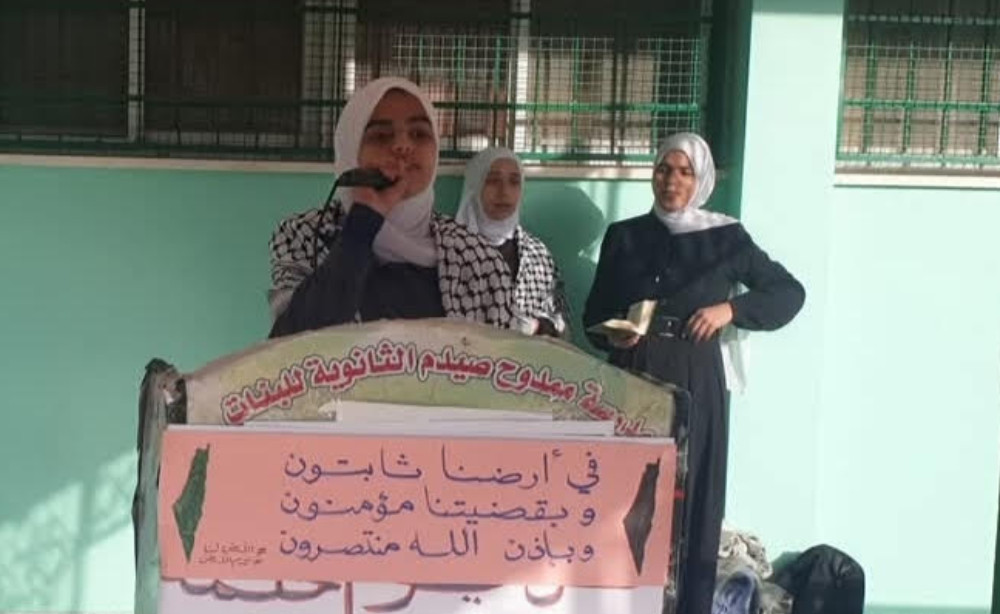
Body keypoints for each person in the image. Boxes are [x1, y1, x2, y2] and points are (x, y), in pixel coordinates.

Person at [583, 132, 805, 614]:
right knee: (629, 496)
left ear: (700, 178)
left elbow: (788, 293)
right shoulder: (625, 236)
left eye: (684, 171)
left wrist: (729, 309)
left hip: (695, 375)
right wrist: (613, 333)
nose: (672, 181)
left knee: (693, 495)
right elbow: (592, 315)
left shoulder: (725, 238)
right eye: (664, 168)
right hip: (634, 374)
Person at [267, 78, 513, 338]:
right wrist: (362, 224)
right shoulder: (304, 235)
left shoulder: (479, 260)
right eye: (381, 136)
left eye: (419, 134)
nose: (403, 146)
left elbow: (503, 369)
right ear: (350, 149)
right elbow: (291, 345)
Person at [455, 147, 570, 338]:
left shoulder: (536, 253)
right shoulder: (451, 249)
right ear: (475, 185)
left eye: (514, 182)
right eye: (493, 181)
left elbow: (563, 325)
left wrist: (542, 327)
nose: (504, 192)